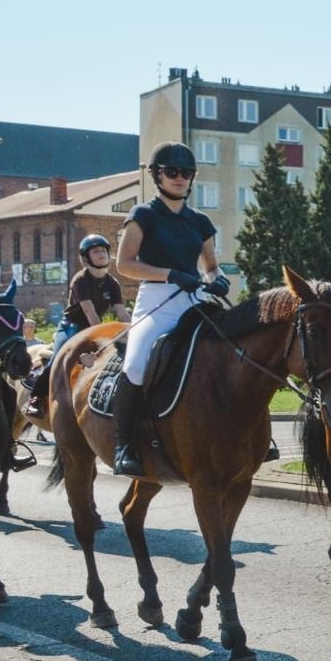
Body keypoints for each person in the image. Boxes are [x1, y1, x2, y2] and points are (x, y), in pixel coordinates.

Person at [110, 142, 230, 476]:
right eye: (172, 172)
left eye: (186, 173)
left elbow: (211, 267)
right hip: (156, 300)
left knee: (229, 352)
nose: (179, 178)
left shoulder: (200, 221)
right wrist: (169, 274)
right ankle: (124, 446)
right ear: (157, 175)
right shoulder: (143, 215)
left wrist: (217, 280)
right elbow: (124, 265)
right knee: (135, 366)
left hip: (193, 301)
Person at [24, 234, 130, 417]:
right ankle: (37, 398)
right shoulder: (80, 280)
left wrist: (131, 331)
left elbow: (122, 312)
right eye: (95, 251)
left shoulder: (112, 283)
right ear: (87, 257)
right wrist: (104, 335)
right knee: (58, 358)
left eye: (103, 250)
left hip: (94, 326)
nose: (101, 254)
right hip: (72, 326)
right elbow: (90, 312)